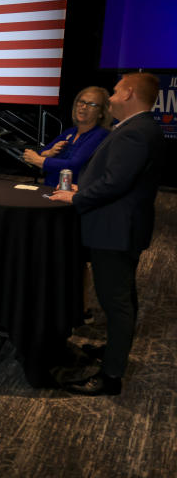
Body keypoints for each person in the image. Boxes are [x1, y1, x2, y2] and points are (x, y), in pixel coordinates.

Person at [50, 72, 166, 396]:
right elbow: (118, 177)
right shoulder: (139, 128)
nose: (111, 97)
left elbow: (116, 182)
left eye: (115, 91)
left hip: (115, 231)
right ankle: (114, 351)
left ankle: (111, 376)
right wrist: (82, 186)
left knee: (117, 303)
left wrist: (76, 196)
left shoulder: (135, 132)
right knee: (123, 296)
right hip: (123, 228)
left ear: (128, 93)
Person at [23, 86, 111, 186]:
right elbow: (41, 152)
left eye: (92, 104)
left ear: (101, 113)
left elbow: (74, 166)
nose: (84, 107)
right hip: (50, 189)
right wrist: (49, 153)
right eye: (81, 102)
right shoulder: (70, 132)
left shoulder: (100, 135)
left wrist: (39, 160)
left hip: (74, 196)